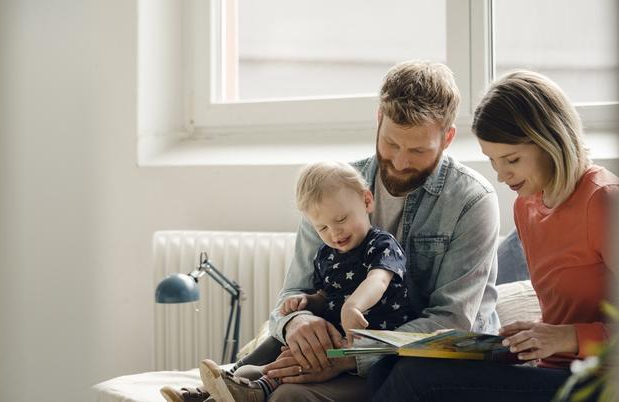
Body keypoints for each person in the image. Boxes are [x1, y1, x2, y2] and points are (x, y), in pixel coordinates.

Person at [253, 60, 501, 402]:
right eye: (391, 144)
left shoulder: (471, 201)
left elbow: (451, 321)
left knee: (289, 396)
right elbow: (292, 294)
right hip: (344, 344)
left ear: (447, 138)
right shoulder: (334, 188)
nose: (400, 162)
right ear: (378, 119)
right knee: (267, 356)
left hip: (423, 362)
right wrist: (297, 323)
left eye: (417, 150)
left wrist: (348, 356)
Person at [368, 70, 618, 402]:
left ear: (550, 141)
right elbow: (561, 318)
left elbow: (568, 333)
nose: (501, 176)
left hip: (599, 379)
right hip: (551, 369)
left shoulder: (602, 201)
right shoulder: (527, 206)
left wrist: (568, 338)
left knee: (420, 377)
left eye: (512, 159)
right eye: (493, 161)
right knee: (392, 363)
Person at [198, 161, 414, 402]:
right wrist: (307, 302)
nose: (335, 233)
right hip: (333, 337)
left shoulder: (382, 244)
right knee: (281, 336)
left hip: (369, 349)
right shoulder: (326, 254)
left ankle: (255, 388)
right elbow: (325, 296)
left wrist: (354, 306)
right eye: (322, 227)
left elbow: (379, 280)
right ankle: (218, 388)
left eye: (341, 219)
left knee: (302, 359)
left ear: (366, 201)